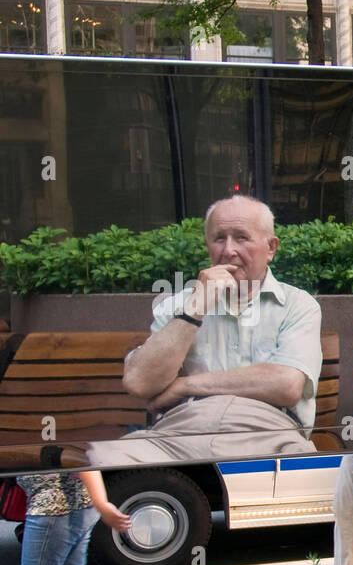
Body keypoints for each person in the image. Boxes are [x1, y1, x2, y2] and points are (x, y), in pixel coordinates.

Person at [91, 195, 322, 466]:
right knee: (105, 459)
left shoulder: (298, 304)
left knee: (308, 473)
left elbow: (286, 385)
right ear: (207, 246)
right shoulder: (178, 305)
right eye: (219, 238)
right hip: (180, 435)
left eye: (241, 237)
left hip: (268, 432)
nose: (228, 250)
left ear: (270, 247)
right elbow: (139, 382)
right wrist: (195, 309)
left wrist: (184, 386)